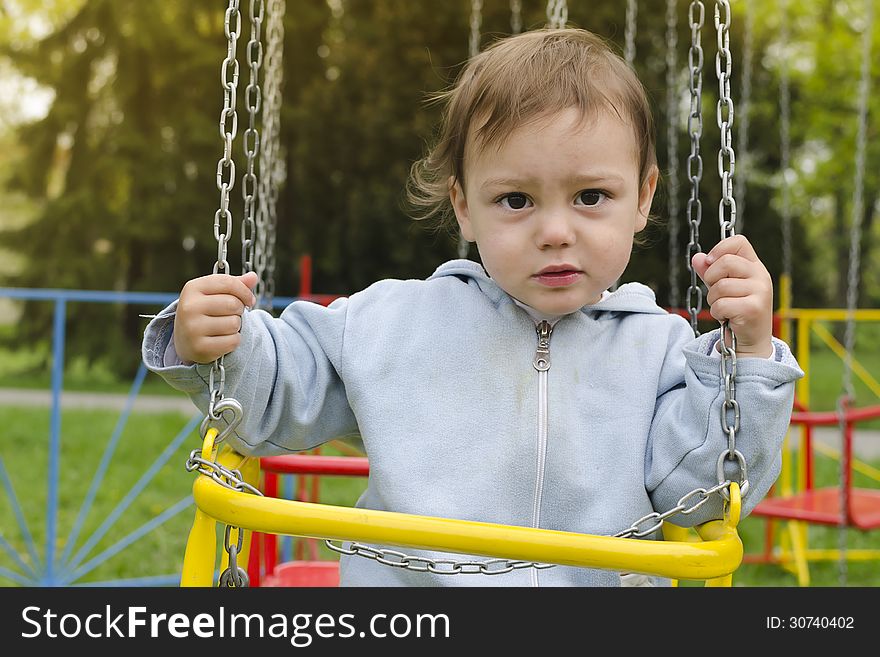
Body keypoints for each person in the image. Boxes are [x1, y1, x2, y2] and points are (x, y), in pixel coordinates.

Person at [142, 28, 802, 586]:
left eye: (591, 196)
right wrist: (222, 343)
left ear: (643, 197)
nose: (554, 230)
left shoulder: (661, 351)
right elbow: (280, 393)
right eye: (515, 199)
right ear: (464, 206)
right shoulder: (393, 323)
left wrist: (745, 356)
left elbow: (705, 493)